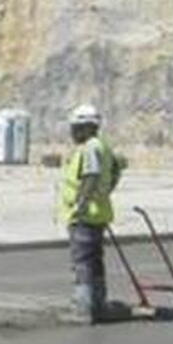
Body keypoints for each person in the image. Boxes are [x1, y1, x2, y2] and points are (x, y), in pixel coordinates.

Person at [59, 102, 125, 323]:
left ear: (87, 127)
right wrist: (104, 194)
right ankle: (98, 304)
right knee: (95, 261)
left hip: (85, 216)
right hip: (98, 213)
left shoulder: (90, 148)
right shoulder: (103, 147)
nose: (73, 133)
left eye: (75, 128)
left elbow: (91, 175)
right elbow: (115, 172)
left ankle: (83, 307)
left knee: (82, 262)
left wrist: (81, 204)